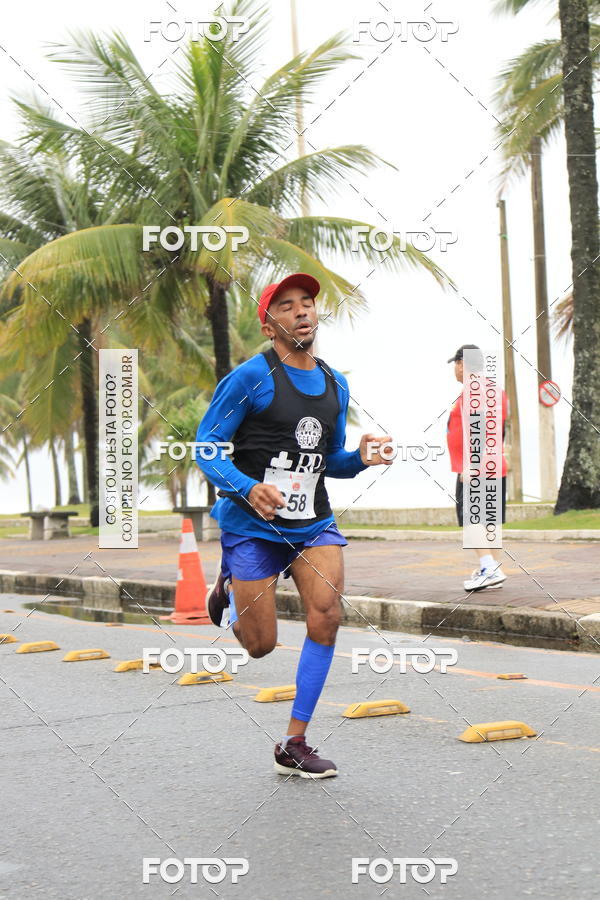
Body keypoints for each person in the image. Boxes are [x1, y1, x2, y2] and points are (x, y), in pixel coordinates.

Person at [196, 273, 392, 779]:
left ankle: (294, 741)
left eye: (307, 303)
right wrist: (246, 486)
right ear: (269, 324)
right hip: (253, 525)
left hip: (312, 523)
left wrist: (363, 459)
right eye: (287, 306)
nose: (302, 311)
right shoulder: (248, 379)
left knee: (326, 615)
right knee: (259, 646)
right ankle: (229, 590)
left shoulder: (335, 383)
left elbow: (330, 461)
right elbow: (207, 448)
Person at [446, 344, 508, 592]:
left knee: (474, 519)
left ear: (462, 363)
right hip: (493, 465)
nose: (454, 370)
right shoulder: (494, 389)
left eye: (455, 364)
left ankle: (489, 569)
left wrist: (471, 465)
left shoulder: (473, 390)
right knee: (488, 520)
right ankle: (492, 569)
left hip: (477, 467)